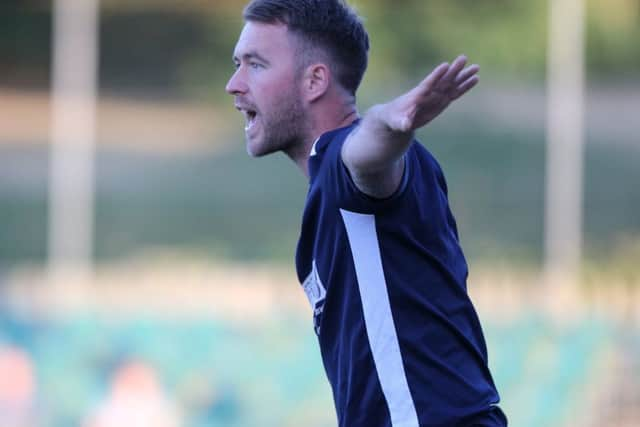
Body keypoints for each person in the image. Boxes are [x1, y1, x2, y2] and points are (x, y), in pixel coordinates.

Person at [225, 1, 507, 426]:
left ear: (315, 80)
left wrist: (389, 124)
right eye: (237, 64)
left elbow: (366, 158)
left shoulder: (343, 156)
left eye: (256, 65)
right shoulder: (325, 188)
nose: (234, 83)